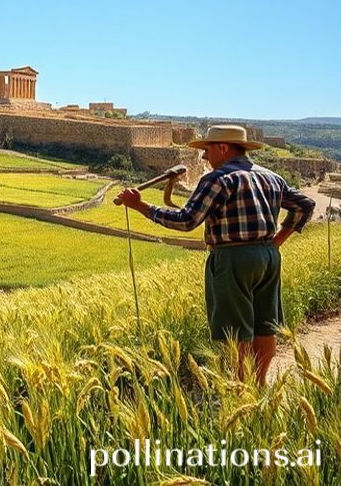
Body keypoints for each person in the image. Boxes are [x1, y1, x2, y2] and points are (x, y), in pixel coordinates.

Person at [116, 125, 315, 386]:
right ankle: (259, 383)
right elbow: (305, 205)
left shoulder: (218, 179)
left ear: (222, 148)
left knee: (236, 331)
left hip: (232, 259)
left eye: (206, 150)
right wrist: (276, 241)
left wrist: (140, 205)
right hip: (268, 257)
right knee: (266, 325)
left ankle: (242, 389)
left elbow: (187, 221)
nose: (203, 158)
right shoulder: (271, 177)